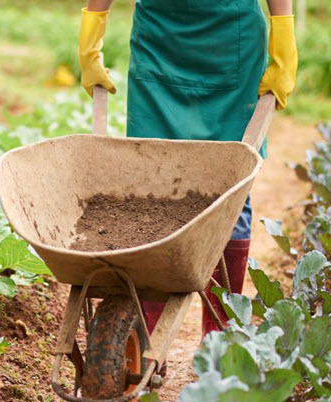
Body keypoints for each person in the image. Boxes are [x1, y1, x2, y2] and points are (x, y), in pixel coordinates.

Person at [78, 0, 297, 340]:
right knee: (149, 182)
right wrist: (92, 33)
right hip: (159, 41)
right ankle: (144, 332)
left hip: (232, 42)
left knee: (230, 182)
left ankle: (220, 334)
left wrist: (283, 34)